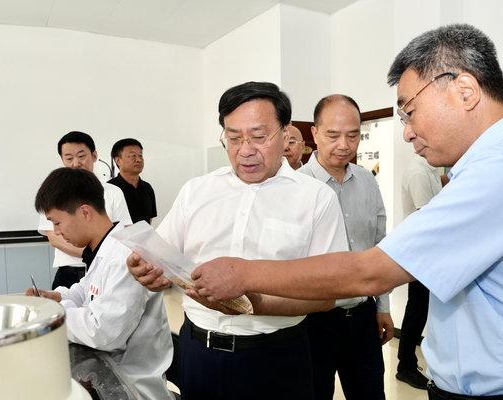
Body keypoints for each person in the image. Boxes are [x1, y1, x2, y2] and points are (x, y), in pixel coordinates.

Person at [191, 24, 503, 398]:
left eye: (410, 111)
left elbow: (370, 270)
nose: (408, 131)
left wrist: (242, 273)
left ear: (465, 91)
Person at [127, 81, 348, 400]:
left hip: (276, 357)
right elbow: (161, 255)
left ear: (286, 134)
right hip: (198, 352)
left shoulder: (316, 198)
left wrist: (251, 304)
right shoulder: (196, 191)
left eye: (258, 136)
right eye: (233, 138)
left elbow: (326, 294)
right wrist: (145, 269)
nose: (245, 150)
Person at [28, 167, 173, 400]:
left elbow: (104, 332)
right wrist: (59, 297)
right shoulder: (104, 247)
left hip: (132, 388)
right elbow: (88, 289)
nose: (56, 232)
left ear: (85, 212)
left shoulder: (126, 255)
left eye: (57, 222)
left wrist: (54, 313)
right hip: (110, 376)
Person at [299, 94, 392, 400]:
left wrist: (383, 308)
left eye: (353, 136)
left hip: (363, 317)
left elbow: (379, 247)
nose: (344, 145)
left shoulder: (367, 181)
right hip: (313, 320)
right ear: (315, 133)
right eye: (333, 135)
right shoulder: (295, 187)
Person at [38, 131, 132, 289]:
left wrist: (101, 258)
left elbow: (124, 232)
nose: (76, 163)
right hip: (70, 273)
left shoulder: (113, 192)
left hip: (107, 270)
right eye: (69, 158)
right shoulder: (53, 192)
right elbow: (54, 237)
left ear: (94, 156)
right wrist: (91, 254)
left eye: (81, 156)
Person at [396, 153, 443, 389]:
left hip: (430, 251)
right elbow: (427, 216)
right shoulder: (418, 172)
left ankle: (409, 363)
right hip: (421, 251)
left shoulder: (431, 168)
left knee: (421, 308)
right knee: (417, 308)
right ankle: (405, 366)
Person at [108, 138, 157, 224]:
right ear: (118, 160)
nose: (139, 160)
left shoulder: (147, 188)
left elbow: (149, 220)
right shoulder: (109, 189)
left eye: (140, 156)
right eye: (133, 156)